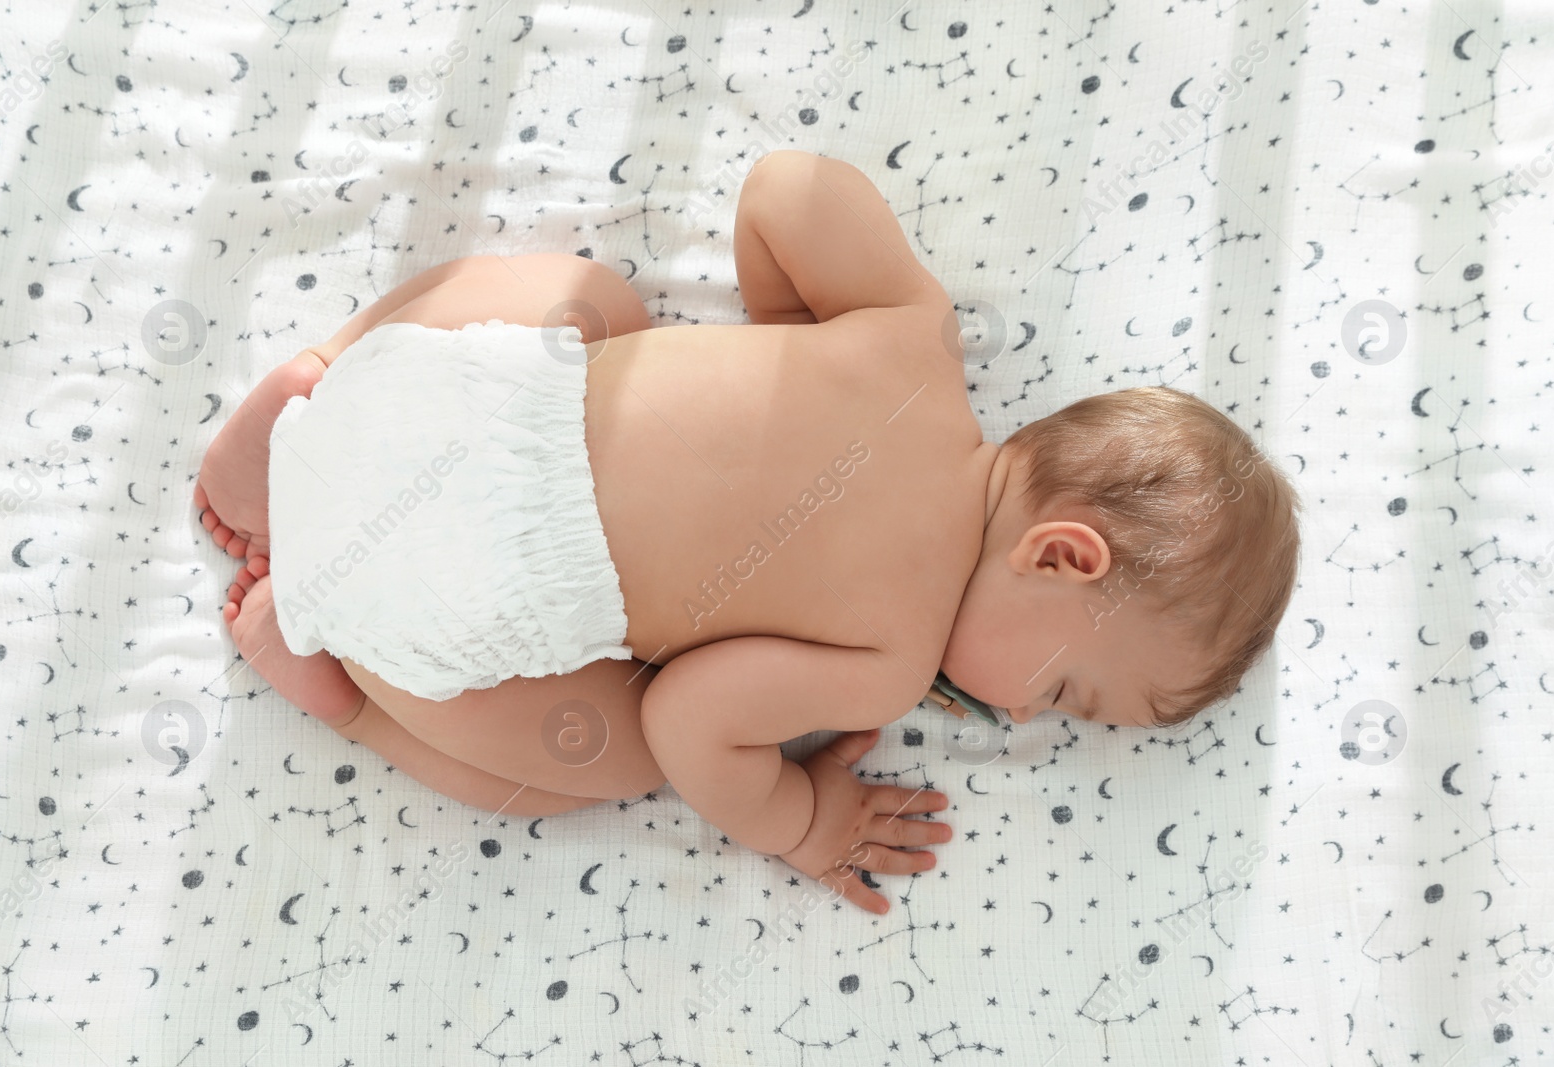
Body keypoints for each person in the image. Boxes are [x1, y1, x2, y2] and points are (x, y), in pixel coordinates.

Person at [193, 150, 1300, 914]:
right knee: (613, 756)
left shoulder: (913, 340)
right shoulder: (882, 662)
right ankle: (334, 685)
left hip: (432, 391)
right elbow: (688, 716)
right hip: (437, 596)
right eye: (1063, 689)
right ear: (1060, 555)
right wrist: (803, 819)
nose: (1017, 711)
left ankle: (315, 385)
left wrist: (786, 346)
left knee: (597, 305)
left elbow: (785, 187)